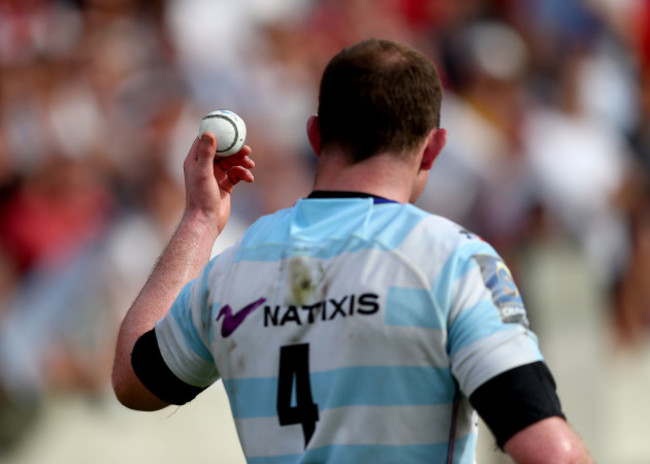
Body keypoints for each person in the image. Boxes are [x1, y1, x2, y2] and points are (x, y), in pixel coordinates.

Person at [112, 38, 592, 463]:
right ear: (433, 149)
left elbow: (134, 380)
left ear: (316, 136)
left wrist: (198, 219)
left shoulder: (235, 267)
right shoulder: (452, 260)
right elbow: (553, 453)